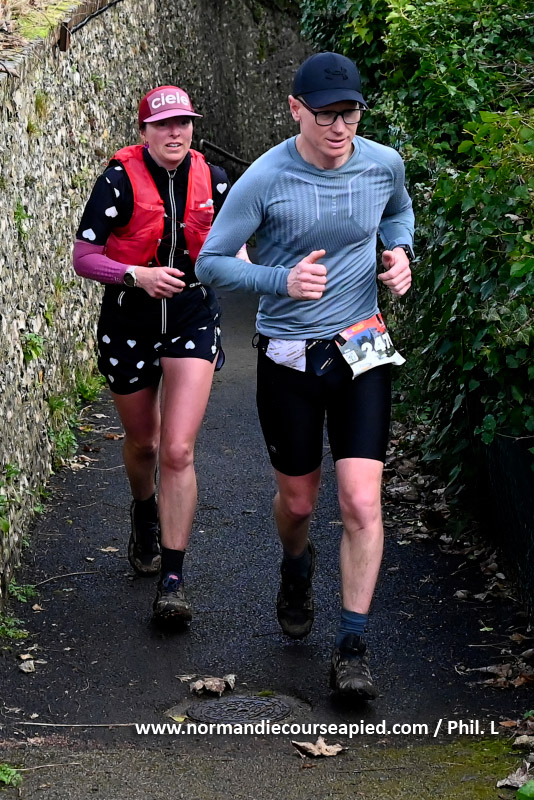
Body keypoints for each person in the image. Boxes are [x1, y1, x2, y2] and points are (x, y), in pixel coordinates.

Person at [196, 53, 415, 699]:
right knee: (298, 503)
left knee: (361, 501)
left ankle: (352, 647)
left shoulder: (383, 163)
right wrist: (280, 280)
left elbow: (398, 213)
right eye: (325, 115)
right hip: (288, 357)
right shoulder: (264, 179)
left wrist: (400, 253)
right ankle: (296, 563)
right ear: (295, 109)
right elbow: (211, 263)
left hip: (361, 347)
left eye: (349, 113)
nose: (339, 127)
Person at [74, 85, 247, 625]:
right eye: (164, 124)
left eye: (184, 123)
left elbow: (237, 245)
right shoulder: (119, 180)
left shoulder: (215, 179)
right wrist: (137, 275)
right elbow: (84, 257)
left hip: (192, 318)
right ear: (144, 132)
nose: (176, 132)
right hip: (129, 322)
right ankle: (144, 509)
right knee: (144, 443)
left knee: (176, 450)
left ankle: (173, 580)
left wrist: (244, 263)